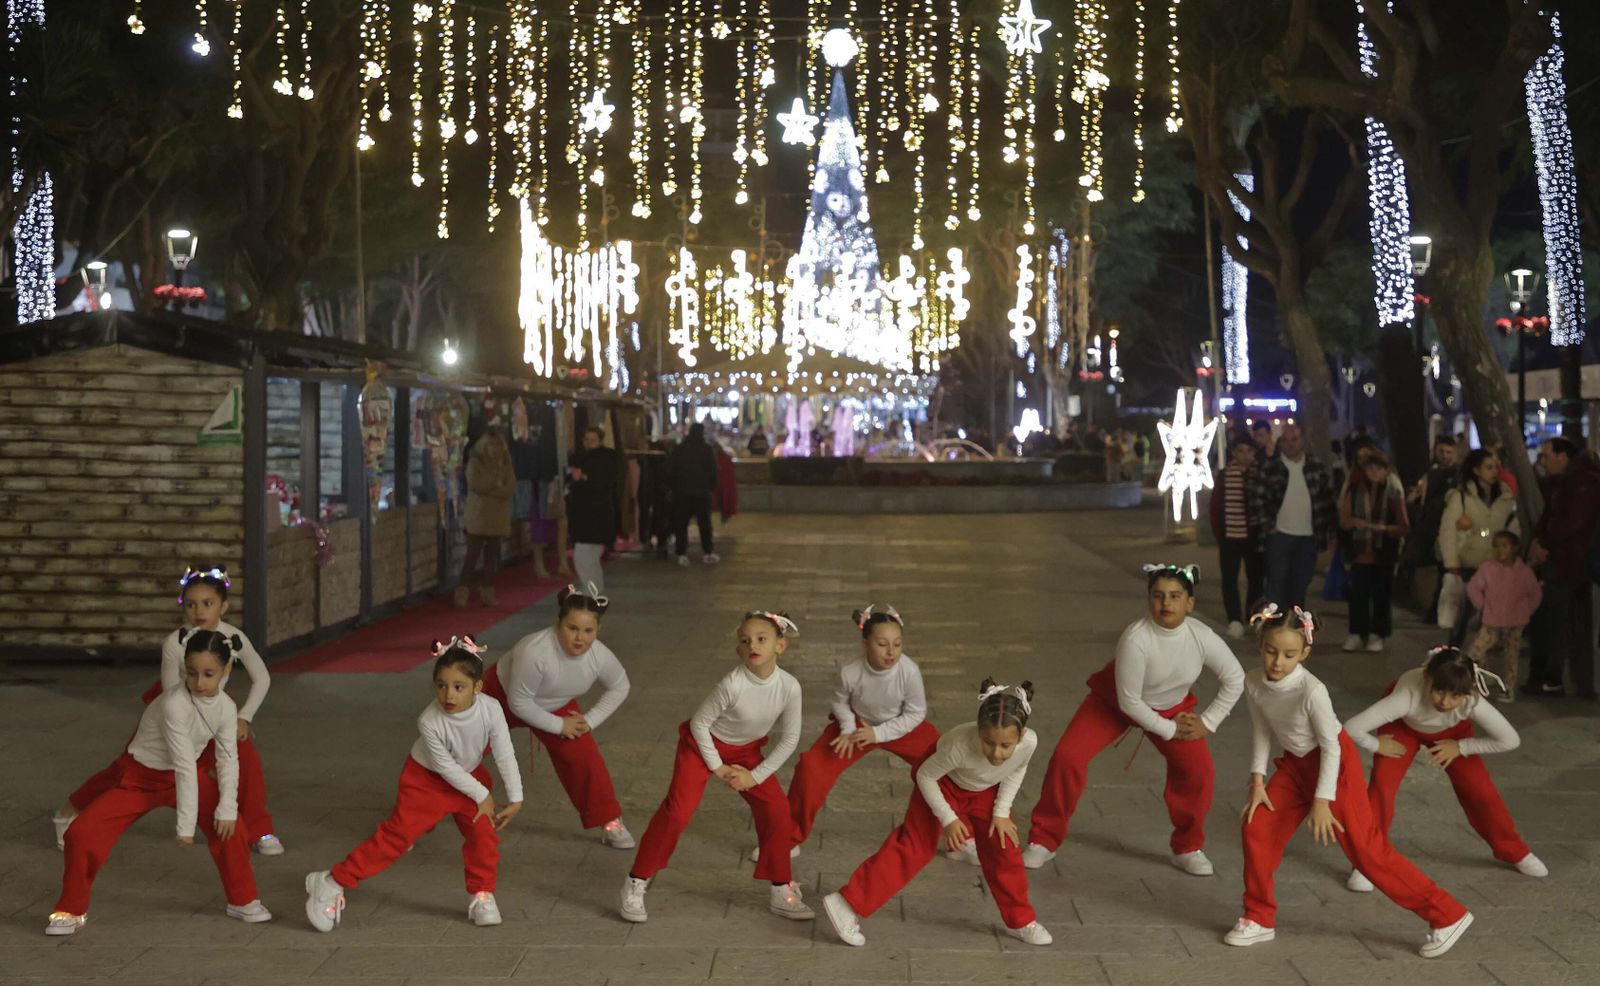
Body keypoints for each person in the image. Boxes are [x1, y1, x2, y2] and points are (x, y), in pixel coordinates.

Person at [1227, 604, 1472, 958]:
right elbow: (1263, 729)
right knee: (1256, 827)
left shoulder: (1312, 691)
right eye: (1270, 651)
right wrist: (1258, 781)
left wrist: (1322, 801)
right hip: (1295, 766)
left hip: (1335, 765)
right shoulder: (1252, 681)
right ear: (1260, 646)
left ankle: (1447, 914)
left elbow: (1331, 747)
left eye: (1289, 654)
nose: (1277, 662)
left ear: (1305, 652)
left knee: (1367, 853)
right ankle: (1259, 917)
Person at [1022, 564, 1244, 875]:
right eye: (1158, 596)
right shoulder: (1136, 638)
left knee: (1200, 772)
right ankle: (1043, 840)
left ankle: (1187, 846)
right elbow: (1129, 701)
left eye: (1175, 596)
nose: (1166, 603)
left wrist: (1208, 722)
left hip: (1172, 708)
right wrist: (1168, 730)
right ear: (1149, 600)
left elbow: (1235, 678)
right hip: (1113, 704)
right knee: (1067, 758)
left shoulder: (1201, 636)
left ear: (1189, 603)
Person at [47, 631, 270, 935]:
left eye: (209, 674)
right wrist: (185, 828)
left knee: (232, 827)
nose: (200, 683)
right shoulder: (173, 704)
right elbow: (183, 766)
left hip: (183, 778)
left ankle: (243, 900)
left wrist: (227, 808)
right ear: (183, 670)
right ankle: (71, 909)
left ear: (227, 670)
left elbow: (228, 758)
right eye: (191, 673)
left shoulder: (227, 708)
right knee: (81, 834)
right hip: (139, 778)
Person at [55, 566, 281, 856]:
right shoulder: (175, 643)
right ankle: (68, 812)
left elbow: (262, 677)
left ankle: (259, 830)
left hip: (215, 710)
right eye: (190, 604)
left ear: (223, 605)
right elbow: (172, 693)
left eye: (207, 603)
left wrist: (243, 717)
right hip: (172, 713)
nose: (198, 610)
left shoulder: (233, 637)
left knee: (245, 760)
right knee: (124, 772)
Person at [305, 636, 523, 932]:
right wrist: (483, 794)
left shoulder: (491, 708)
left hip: (468, 779)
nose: (448, 695)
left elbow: (504, 750)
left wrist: (516, 796)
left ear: (477, 688)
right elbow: (445, 768)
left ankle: (482, 893)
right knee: (396, 838)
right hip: (426, 781)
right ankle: (332, 881)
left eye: (459, 687)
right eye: (441, 685)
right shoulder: (429, 720)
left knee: (483, 836)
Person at [821, 680, 1052, 947]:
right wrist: (950, 819)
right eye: (988, 742)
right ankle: (846, 903)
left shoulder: (1028, 743)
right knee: (914, 847)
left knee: (1004, 845)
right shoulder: (958, 746)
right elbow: (925, 776)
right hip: (940, 782)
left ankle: (1020, 920)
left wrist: (1001, 812)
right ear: (978, 732)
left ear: (1021, 737)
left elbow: (1015, 769)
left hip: (985, 788)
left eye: (1005, 745)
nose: (997, 753)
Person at [621, 611, 812, 924]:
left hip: (748, 752)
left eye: (762, 639)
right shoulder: (732, 684)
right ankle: (636, 880)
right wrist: (719, 767)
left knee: (777, 810)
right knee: (677, 811)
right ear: (739, 650)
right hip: (702, 747)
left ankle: (781, 889)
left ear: (781, 646)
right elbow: (699, 724)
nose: (753, 644)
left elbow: (790, 739)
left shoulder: (789, 687)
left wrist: (755, 775)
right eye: (745, 640)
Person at [1342, 647, 1545, 895]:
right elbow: (1351, 727)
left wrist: (1462, 747)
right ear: (1427, 679)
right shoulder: (1407, 695)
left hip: (1453, 735)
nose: (1445, 702)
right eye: (1439, 691)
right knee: (1382, 787)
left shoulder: (1471, 701)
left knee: (1480, 791)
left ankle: (1515, 851)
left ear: (1467, 692)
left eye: (1456, 695)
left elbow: (1510, 740)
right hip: (1403, 727)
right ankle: (1366, 862)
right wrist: (1376, 744)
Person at [778, 605, 938, 858]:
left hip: (902, 725)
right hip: (857, 726)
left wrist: (879, 734)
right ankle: (787, 839)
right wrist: (849, 727)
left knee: (947, 764)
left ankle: (963, 837)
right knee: (810, 770)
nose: (891, 652)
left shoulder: (909, 671)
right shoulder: (850, 671)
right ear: (866, 643)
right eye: (882, 644)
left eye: (897, 644)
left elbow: (916, 713)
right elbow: (840, 702)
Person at [483, 584, 635, 848]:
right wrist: (558, 725)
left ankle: (609, 820)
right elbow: (519, 703)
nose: (579, 638)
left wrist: (589, 721)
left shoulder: (599, 656)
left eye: (588, 631)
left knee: (584, 757)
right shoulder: (535, 651)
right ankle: (412, 823)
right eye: (572, 628)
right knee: (457, 750)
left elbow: (620, 686)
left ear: (598, 631)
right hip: (500, 696)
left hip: (555, 704)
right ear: (557, 624)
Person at [1527, 437, 1600, 698]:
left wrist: (1543, 542)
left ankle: (1552, 676)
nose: (1542, 461)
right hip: (1565, 560)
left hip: (1570, 562)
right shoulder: (1569, 482)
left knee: (1557, 620)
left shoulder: (1581, 482)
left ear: (1563, 456)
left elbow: (1572, 521)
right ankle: (1553, 676)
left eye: (1547, 455)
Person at [1252, 423, 1337, 611]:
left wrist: (1329, 531)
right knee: (1276, 586)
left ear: (1303, 441)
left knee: (1299, 587)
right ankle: (1274, 631)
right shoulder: (1271, 467)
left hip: (1308, 537)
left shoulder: (1315, 466)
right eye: (1286, 441)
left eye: (1295, 439)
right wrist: (1268, 526)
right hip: (1280, 536)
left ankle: (1294, 631)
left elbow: (1326, 499)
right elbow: (1258, 499)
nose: (1290, 444)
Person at [1437, 449, 1516, 648]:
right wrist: (1452, 563)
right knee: (1463, 616)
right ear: (1476, 470)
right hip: (1469, 563)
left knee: (1489, 618)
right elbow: (1448, 531)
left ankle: (1478, 659)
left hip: (1497, 564)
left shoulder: (1505, 497)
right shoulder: (1462, 496)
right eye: (1489, 467)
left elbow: (1513, 528)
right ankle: (1454, 656)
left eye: (1496, 467)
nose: (1494, 472)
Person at [1338, 449, 1409, 653]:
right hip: (1360, 552)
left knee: (1381, 595)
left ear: (1386, 470)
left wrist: (1384, 529)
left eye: (1379, 468)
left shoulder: (1393, 492)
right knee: (1358, 594)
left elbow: (1403, 525)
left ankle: (1378, 633)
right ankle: (1357, 632)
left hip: (1384, 551)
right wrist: (1355, 523)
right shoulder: (1354, 489)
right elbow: (1344, 520)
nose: (1374, 472)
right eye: (1370, 468)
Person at [1465, 531, 1542, 702]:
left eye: (1504, 546)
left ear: (1514, 548)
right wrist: (1483, 606)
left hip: (1515, 622)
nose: (1500, 550)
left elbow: (1535, 593)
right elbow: (1473, 587)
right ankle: (1476, 678)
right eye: (1496, 546)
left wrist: (1525, 611)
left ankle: (1508, 686)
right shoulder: (1488, 569)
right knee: (1476, 650)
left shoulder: (1524, 572)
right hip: (1492, 620)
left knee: (1511, 655)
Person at [1404, 436, 1462, 623]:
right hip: (1431, 528)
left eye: (1449, 452)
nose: (1445, 456)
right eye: (1442, 452)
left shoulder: (1455, 476)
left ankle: (1437, 612)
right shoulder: (1431, 473)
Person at [457, 427, 516, 608]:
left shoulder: (505, 462)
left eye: (498, 445)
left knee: (492, 555)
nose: (495, 449)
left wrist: (495, 488)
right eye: (492, 444)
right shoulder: (475, 462)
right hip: (479, 514)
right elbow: (476, 485)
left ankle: (487, 589)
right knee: (472, 554)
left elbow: (511, 487)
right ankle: (462, 589)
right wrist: (497, 485)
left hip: (498, 515)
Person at [1211, 437, 1264, 638]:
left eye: (1248, 451)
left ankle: (1254, 616)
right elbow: (1215, 506)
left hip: (1252, 537)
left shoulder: (1259, 474)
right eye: (1240, 450)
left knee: (1256, 579)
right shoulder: (1225, 475)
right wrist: (1219, 533)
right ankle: (1234, 618)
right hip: (1229, 537)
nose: (1245, 455)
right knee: (1229, 579)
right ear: (1234, 453)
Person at [567, 425, 622, 595]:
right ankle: (594, 591)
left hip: (591, 517)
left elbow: (597, 484)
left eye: (593, 440)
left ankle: (591, 592)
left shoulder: (598, 461)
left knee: (584, 557)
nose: (590, 443)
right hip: (595, 515)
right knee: (590, 559)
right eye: (587, 440)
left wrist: (580, 480)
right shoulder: (604, 459)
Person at [668, 422, 721, 567]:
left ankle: (681, 552)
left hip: (682, 493)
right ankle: (708, 551)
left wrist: (675, 488)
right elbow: (713, 471)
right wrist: (710, 487)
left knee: (681, 524)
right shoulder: (706, 450)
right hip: (701, 493)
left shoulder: (680, 449)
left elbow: (671, 471)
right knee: (704, 524)